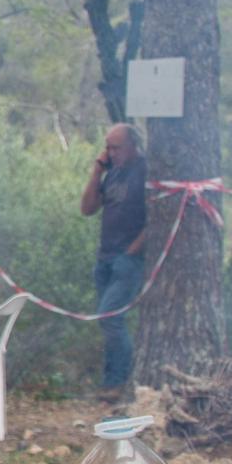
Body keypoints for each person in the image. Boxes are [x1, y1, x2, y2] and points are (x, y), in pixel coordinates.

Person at [80, 122, 149, 393]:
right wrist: (98, 170)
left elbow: (157, 218)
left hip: (128, 259)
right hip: (105, 257)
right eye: (108, 147)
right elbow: (87, 208)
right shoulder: (113, 173)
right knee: (107, 321)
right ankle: (111, 382)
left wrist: (133, 250)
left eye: (116, 147)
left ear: (133, 146)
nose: (111, 152)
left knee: (110, 317)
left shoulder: (145, 171)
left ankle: (120, 381)